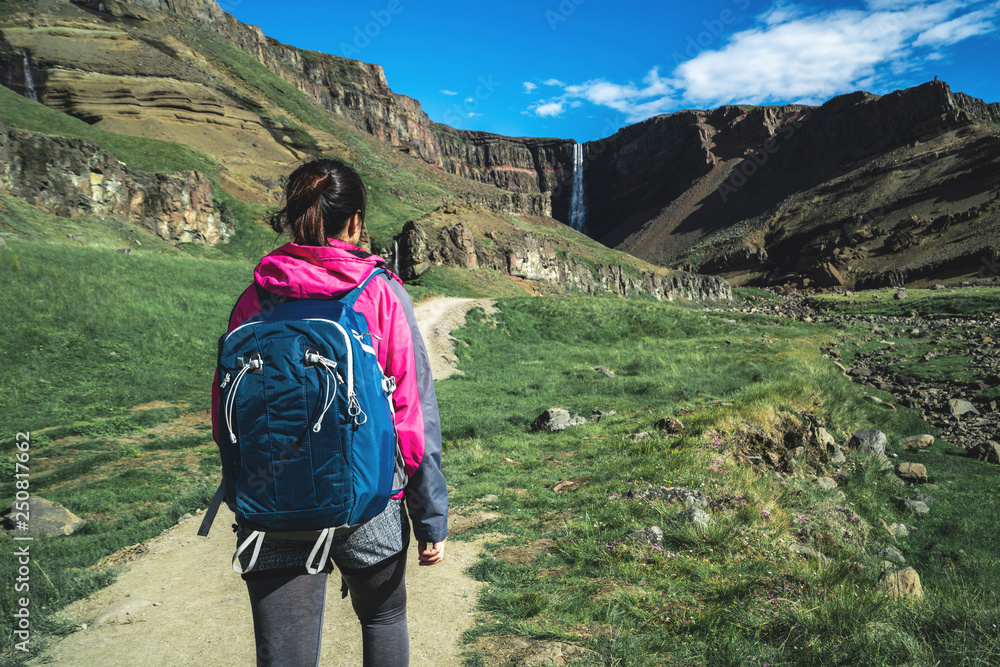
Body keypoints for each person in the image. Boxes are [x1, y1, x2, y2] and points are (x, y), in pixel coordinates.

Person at [211, 158, 448, 667]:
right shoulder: (382, 292)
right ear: (356, 220)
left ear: (294, 217)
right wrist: (430, 519)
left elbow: (227, 415)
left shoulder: (254, 297)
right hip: (371, 499)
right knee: (383, 619)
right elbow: (413, 415)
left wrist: (243, 489)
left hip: (273, 499)